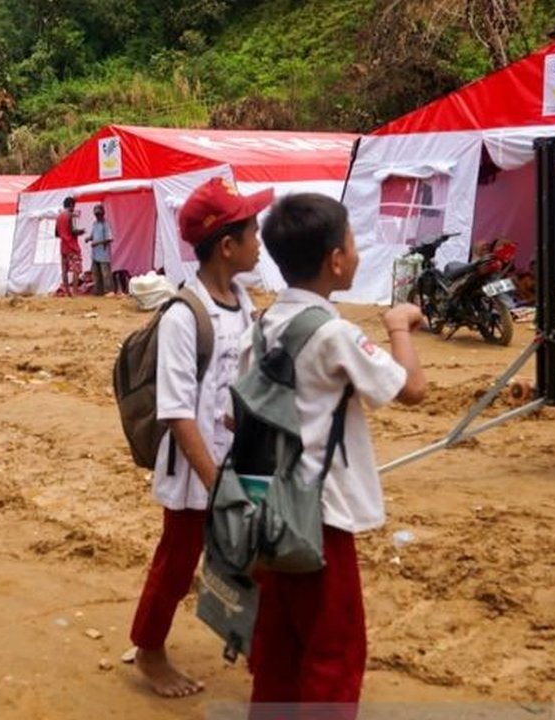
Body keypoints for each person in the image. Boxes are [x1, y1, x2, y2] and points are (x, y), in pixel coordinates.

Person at [242, 194, 426, 716]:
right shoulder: (335, 334)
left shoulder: (261, 327)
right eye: (352, 243)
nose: (357, 254)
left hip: (268, 509)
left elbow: (238, 414)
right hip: (322, 516)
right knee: (334, 652)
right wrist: (397, 327)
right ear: (337, 260)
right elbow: (410, 388)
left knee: (278, 647)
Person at [129, 176, 267, 699]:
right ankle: (149, 648)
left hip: (236, 459)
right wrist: (215, 483)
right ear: (227, 247)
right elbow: (178, 411)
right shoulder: (185, 316)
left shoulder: (243, 301)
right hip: (196, 469)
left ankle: (254, 642)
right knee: (179, 558)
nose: (260, 240)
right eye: (252, 231)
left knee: (248, 554)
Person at [54, 197, 85, 297]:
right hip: (72, 246)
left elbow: (56, 234)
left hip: (63, 246)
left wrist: (64, 235)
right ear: (71, 205)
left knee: (64, 270)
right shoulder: (70, 216)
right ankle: (75, 292)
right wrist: (81, 231)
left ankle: (67, 292)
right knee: (76, 269)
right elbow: (73, 231)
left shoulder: (59, 217)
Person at [87, 203, 115, 296]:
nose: (97, 216)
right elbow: (93, 235)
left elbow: (110, 238)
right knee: (96, 274)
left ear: (103, 213)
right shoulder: (94, 224)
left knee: (105, 273)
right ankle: (98, 291)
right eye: (96, 214)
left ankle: (108, 291)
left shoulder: (106, 224)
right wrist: (89, 238)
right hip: (95, 253)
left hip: (103, 254)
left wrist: (97, 243)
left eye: (99, 214)